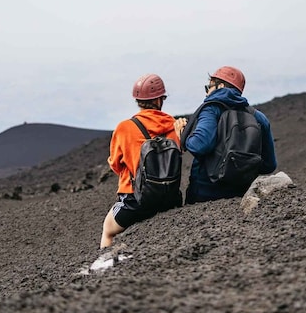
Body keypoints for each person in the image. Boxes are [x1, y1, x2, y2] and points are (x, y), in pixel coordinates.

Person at [100, 73, 181, 248]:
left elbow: (115, 164)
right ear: (160, 99)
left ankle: (103, 268)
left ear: (137, 99)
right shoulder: (173, 125)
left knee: (108, 230)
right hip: (170, 198)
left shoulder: (124, 127)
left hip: (135, 200)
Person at [175, 66, 277, 204]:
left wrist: (182, 134)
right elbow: (270, 165)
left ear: (220, 86)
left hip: (204, 196)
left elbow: (200, 145)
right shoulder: (259, 118)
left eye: (208, 87)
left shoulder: (211, 109)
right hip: (240, 195)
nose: (206, 93)